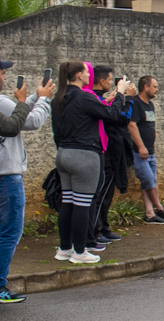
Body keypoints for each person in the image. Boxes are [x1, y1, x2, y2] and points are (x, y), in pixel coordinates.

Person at [51, 61, 132, 263]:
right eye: (87, 72)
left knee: (68, 202)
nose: (90, 75)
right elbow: (113, 115)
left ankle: (64, 248)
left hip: (63, 153)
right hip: (84, 156)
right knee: (82, 205)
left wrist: (110, 99)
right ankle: (80, 252)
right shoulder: (84, 97)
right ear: (79, 75)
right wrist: (121, 94)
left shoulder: (59, 98)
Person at [0, 61, 55, 303]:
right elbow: (26, 122)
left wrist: (35, 96)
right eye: (1, 72)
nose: (4, 76)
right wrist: (43, 100)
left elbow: (17, 111)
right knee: (10, 232)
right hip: (6, 176)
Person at [86, 64, 135, 250]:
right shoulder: (93, 100)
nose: (110, 83)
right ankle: (95, 231)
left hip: (111, 152)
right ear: (102, 81)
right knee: (100, 195)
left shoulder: (99, 100)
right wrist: (128, 98)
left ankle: (102, 227)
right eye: (109, 80)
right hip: (105, 153)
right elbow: (122, 118)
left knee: (106, 194)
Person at [128, 75, 164, 224]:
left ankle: (149, 213)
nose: (157, 90)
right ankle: (159, 208)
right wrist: (141, 146)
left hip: (151, 152)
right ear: (145, 87)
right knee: (149, 181)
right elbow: (131, 125)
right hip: (139, 152)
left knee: (148, 183)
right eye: (154, 87)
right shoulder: (135, 103)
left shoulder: (150, 105)